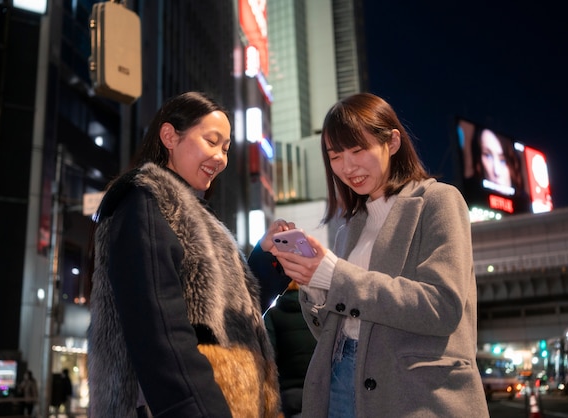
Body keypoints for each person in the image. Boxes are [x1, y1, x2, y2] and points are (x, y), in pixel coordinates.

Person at [254, 92, 489, 417]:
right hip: (341, 377)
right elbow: (331, 330)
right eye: (335, 156)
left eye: (358, 149)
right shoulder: (349, 228)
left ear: (392, 142)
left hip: (415, 392)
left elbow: (442, 307)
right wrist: (313, 284)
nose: (347, 167)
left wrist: (335, 274)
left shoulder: (438, 201)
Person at [87, 91, 281, 417]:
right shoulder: (146, 203)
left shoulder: (199, 218)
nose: (220, 157)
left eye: (226, 148)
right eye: (211, 141)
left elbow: (224, 320)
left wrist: (267, 259)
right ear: (169, 136)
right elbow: (160, 334)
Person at [263, 280, 316, 418]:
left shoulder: (273, 314)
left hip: (289, 392)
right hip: (318, 389)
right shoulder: (315, 313)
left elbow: (269, 354)